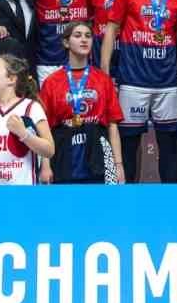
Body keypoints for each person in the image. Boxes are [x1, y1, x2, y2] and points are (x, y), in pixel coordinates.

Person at [100, 0, 177, 182]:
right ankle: (129, 198)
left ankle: (169, 200)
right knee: (129, 145)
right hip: (132, 81)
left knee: (169, 145)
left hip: (166, 82)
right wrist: (105, 70)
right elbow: (111, 29)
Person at [38, 22, 125, 184]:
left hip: (99, 149)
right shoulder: (51, 82)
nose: (84, 40)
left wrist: (118, 165)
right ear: (66, 43)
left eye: (88, 36)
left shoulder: (103, 80)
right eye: (77, 36)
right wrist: (45, 165)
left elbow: (113, 125)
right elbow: (45, 129)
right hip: (64, 150)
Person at [0, 54, 53, 185]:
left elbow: (49, 150)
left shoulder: (31, 107)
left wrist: (24, 134)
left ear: (11, 79)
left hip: (22, 191)